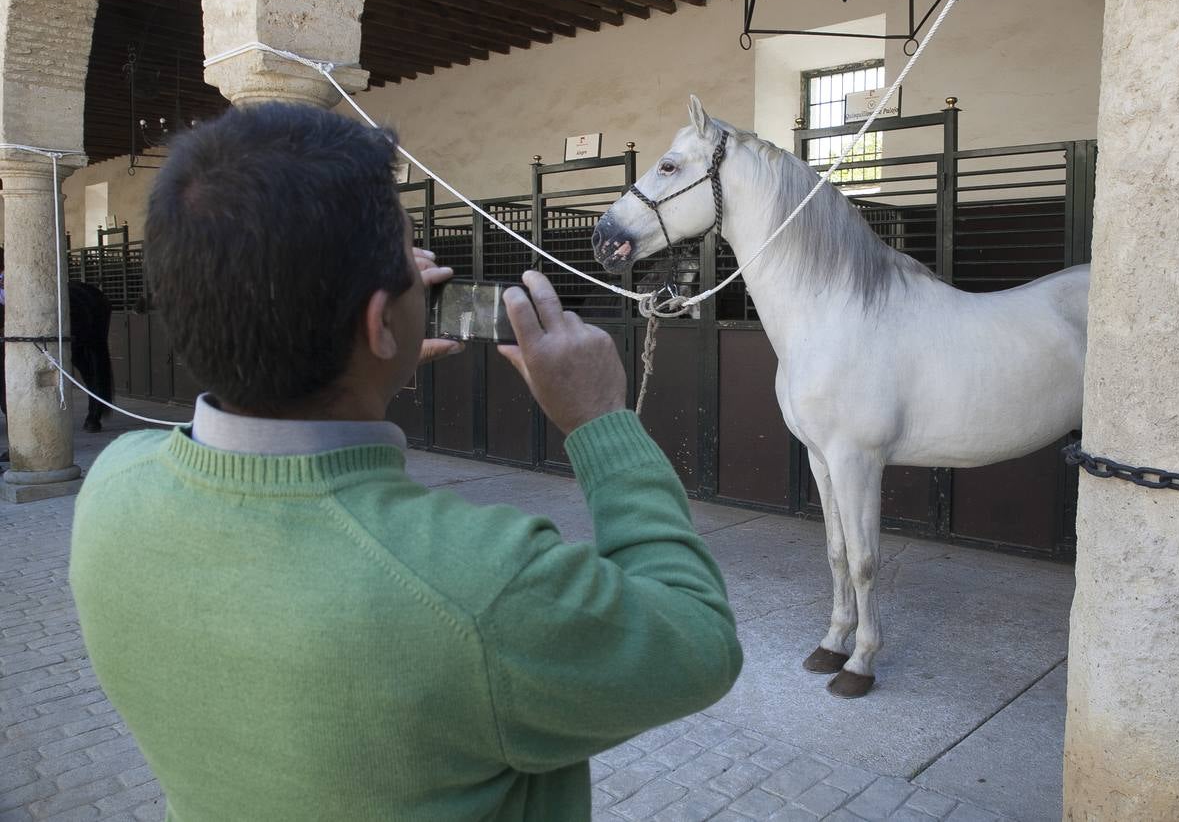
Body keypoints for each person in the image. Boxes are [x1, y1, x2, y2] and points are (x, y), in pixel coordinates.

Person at [68, 103, 743, 821]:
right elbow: (698, 641)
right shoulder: (479, 589)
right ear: (376, 319)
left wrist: (367, 359)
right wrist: (602, 420)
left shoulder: (113, 487)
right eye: (409, 255)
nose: (426, 275)